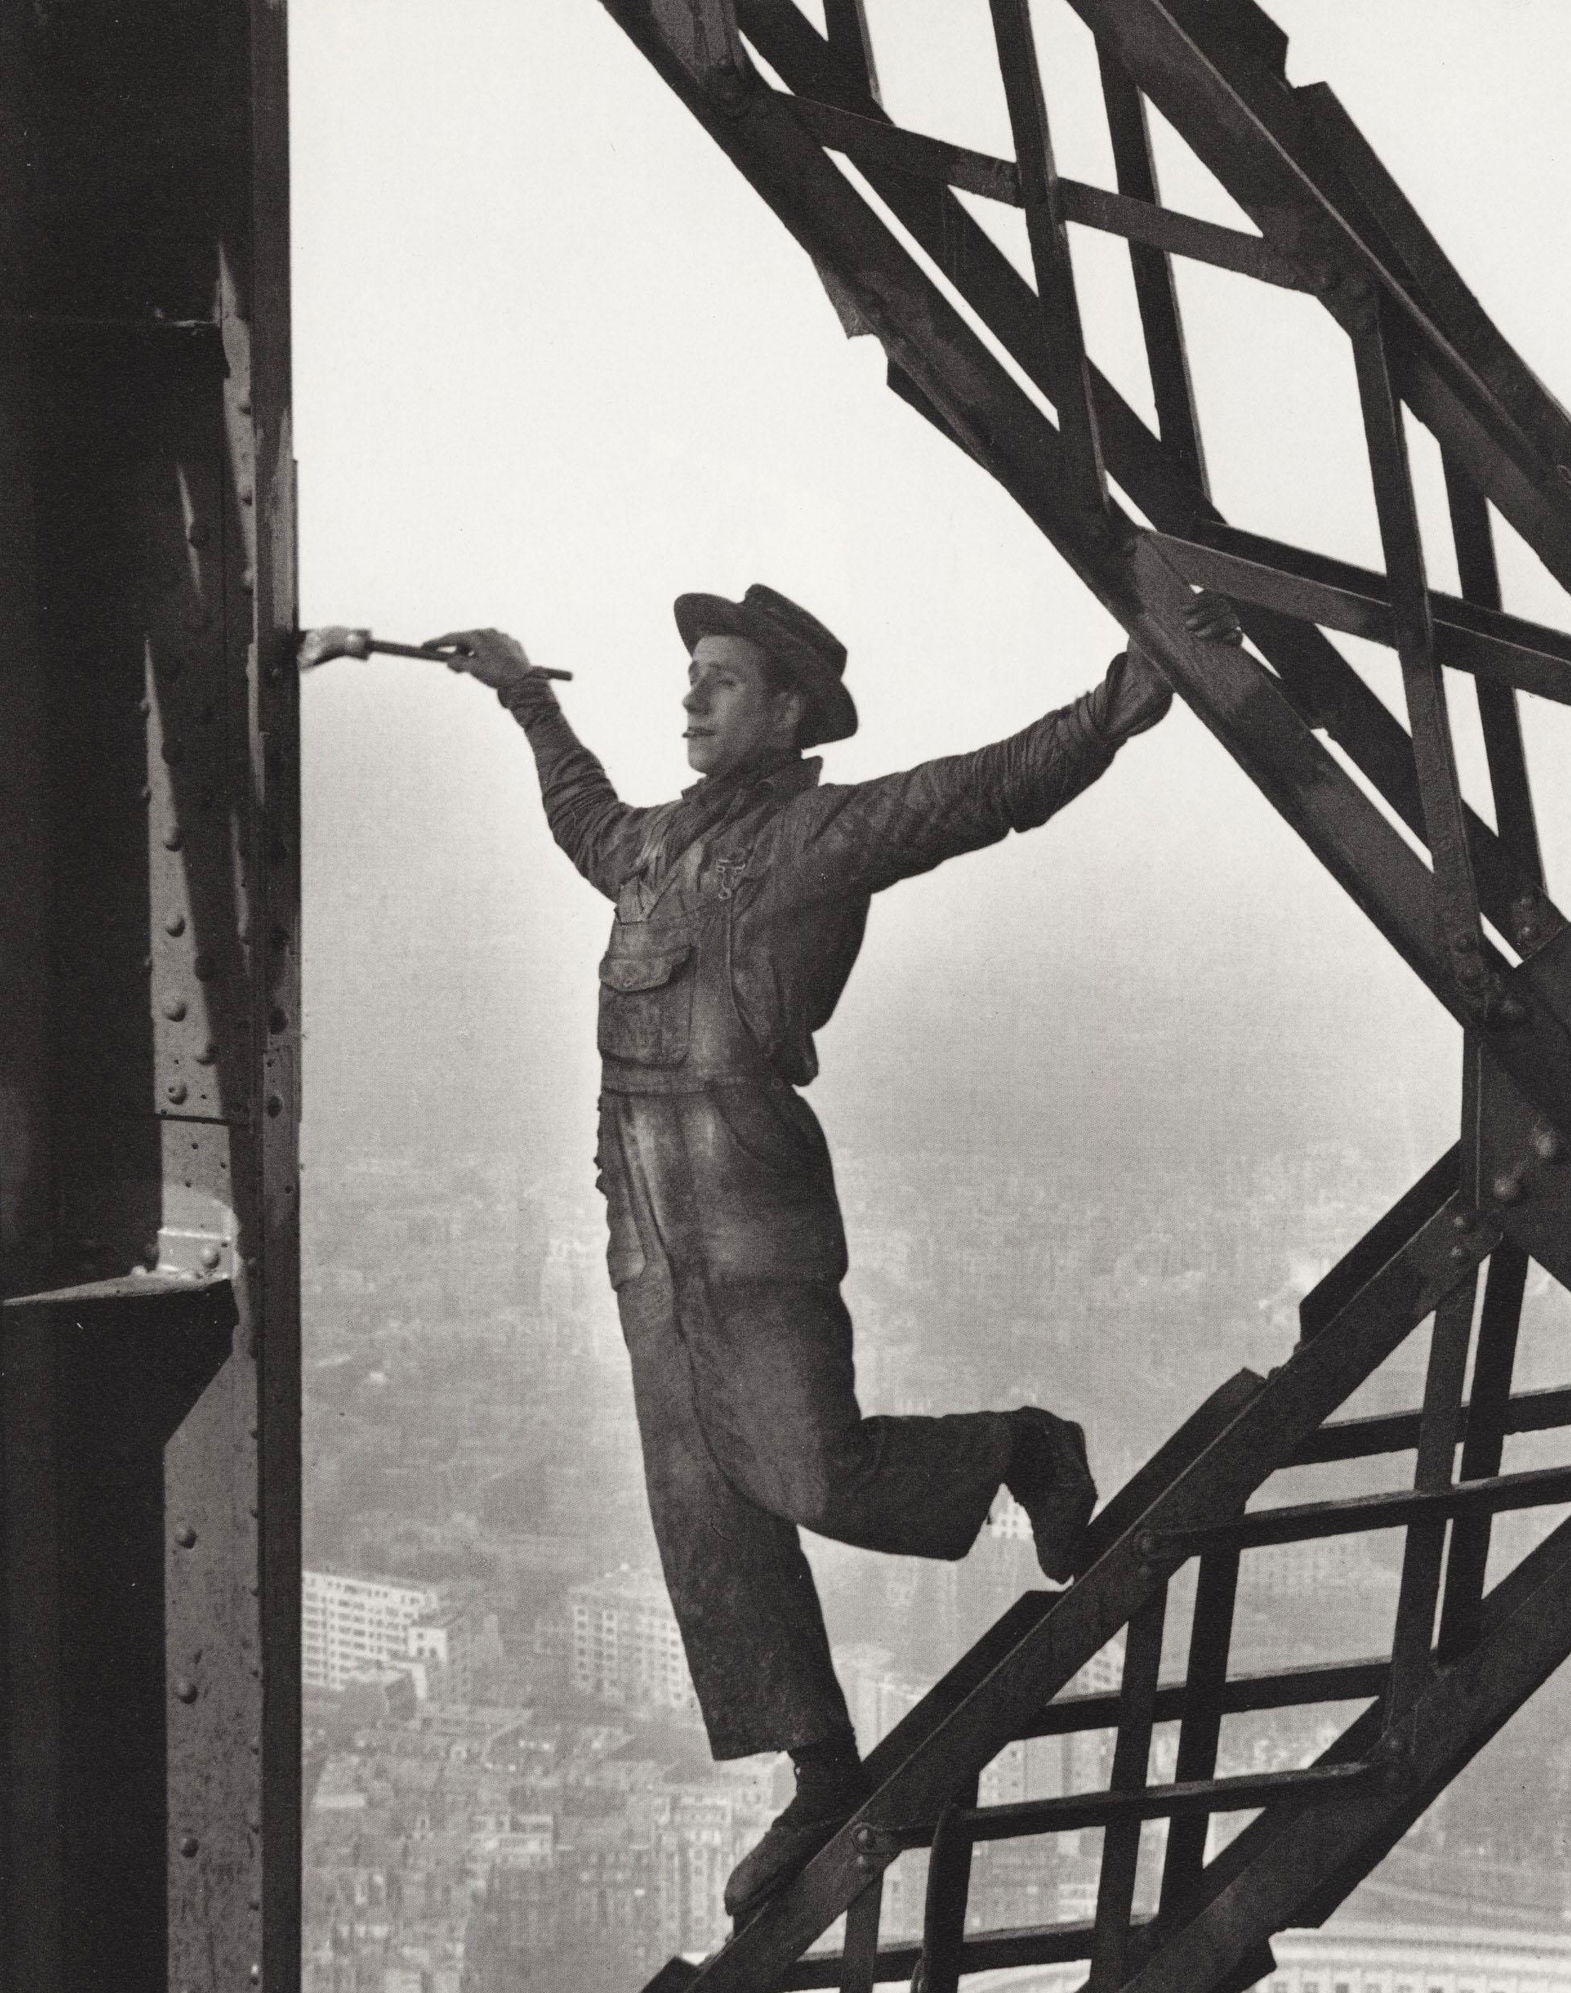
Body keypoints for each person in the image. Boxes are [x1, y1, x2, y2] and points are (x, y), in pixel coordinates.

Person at [430, 582, 1239, 1919]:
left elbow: (982, 792)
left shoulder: (820, 834)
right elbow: (580, 812)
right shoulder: (648, 849)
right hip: (651, 1233)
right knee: (706, 1517)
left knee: (813, 1470)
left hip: (750, 1217)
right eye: (690, 675)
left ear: (789, 711)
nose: (691, 698)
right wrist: (523, 691)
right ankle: (819, 1773)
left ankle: (1024, 1449)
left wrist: (1115, 709)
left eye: (723, 681)